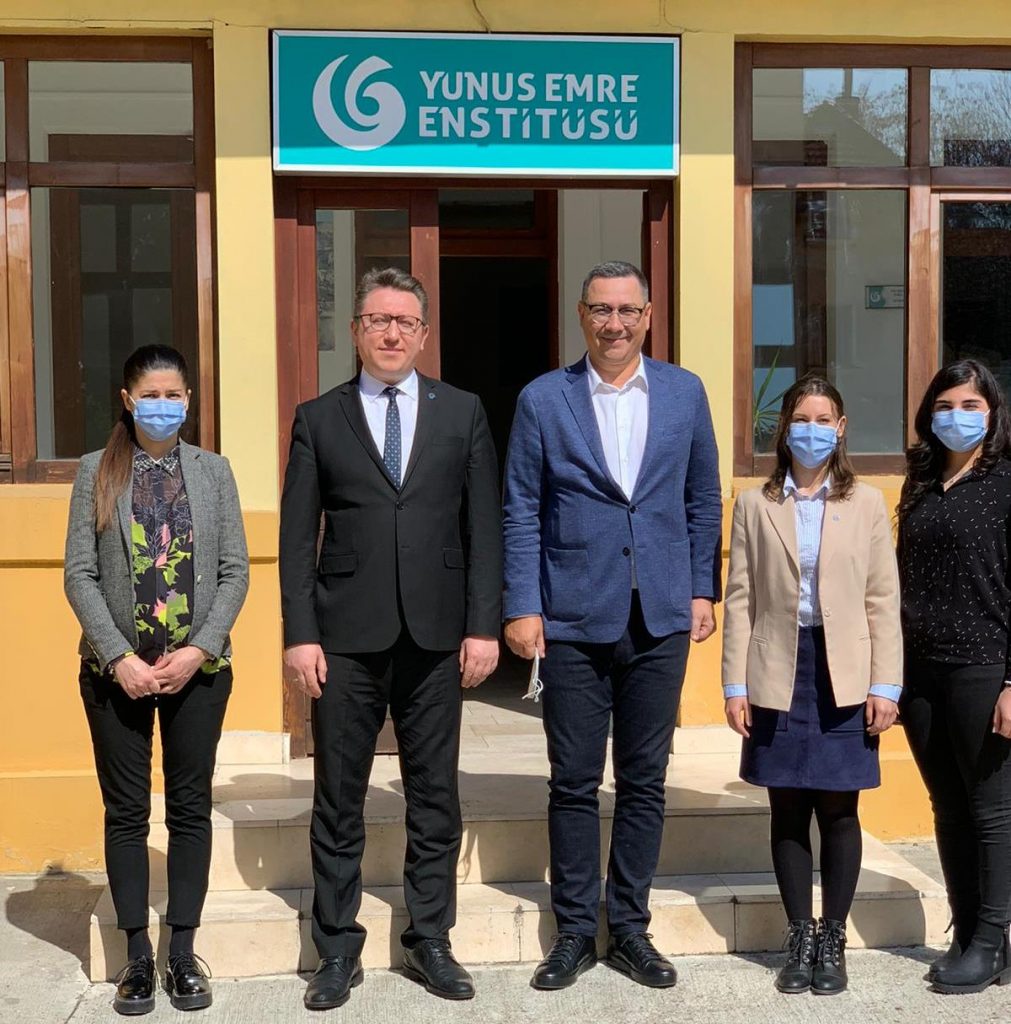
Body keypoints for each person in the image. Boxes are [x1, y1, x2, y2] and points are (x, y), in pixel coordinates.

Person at [280, 267, 502, 1010]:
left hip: (437, 637)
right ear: (355, 331)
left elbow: (483, 527)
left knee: (434, 796)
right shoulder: (319, 418)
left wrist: (482, 625)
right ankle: (336, 948)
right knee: (338, 796)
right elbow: (295, 538)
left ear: (424, 334)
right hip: (344, 635)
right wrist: (300, 635)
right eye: (377, 319)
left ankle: (430, 939)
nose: (390, 333)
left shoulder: (462, 411)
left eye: (405, 321)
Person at [502, 259, 722, 991]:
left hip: (659, 613)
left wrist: (701, 588)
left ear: (648, 316)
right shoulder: (543, 398)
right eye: (601, 309)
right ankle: (573, 930)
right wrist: (521, 604)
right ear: (581, 315)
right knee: (571, 780)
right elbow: (521, 507)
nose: (615, 323)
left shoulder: (685, 393)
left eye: (628, 310)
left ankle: (628, 927)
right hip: (571, 613)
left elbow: (701, 498)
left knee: (643, 779)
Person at [64, 345, 249, 1015]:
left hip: (198, 672)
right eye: (151, 394)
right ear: (127, 399)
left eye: (174, 394)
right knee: (127, 812)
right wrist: (119, 656)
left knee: (190, 807)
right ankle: (137, 956)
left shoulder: (213, 471)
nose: (163, 405)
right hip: (116, 675)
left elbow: (234, 570)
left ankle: (182, 952)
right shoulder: (96, 471)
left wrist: (199, 648)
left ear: (188, 400)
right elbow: (79, 573)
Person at [721, 376, 901, 996]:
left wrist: (886, 685)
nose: (813, 430)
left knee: (841, 808)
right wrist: (735, 684)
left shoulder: (867, 503)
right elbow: (740, 598)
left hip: (844, 671)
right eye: (802, 418)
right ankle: (799, 936)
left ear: (841, 429)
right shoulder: (755, 504)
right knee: (788, 807)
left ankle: (833, 937)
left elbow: (882, 598)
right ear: (784, 428)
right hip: (777, 668)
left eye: (824, 420)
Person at [897, 359, 1011, 995]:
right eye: (945, 405)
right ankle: (967, 930)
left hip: (983, 665)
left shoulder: (1005, 483)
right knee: (948, 805)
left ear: (992, 414)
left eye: (971, 405)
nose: (956, 416)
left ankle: (993, 942)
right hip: (922, 670)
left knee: (991, 810)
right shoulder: (920, 482)